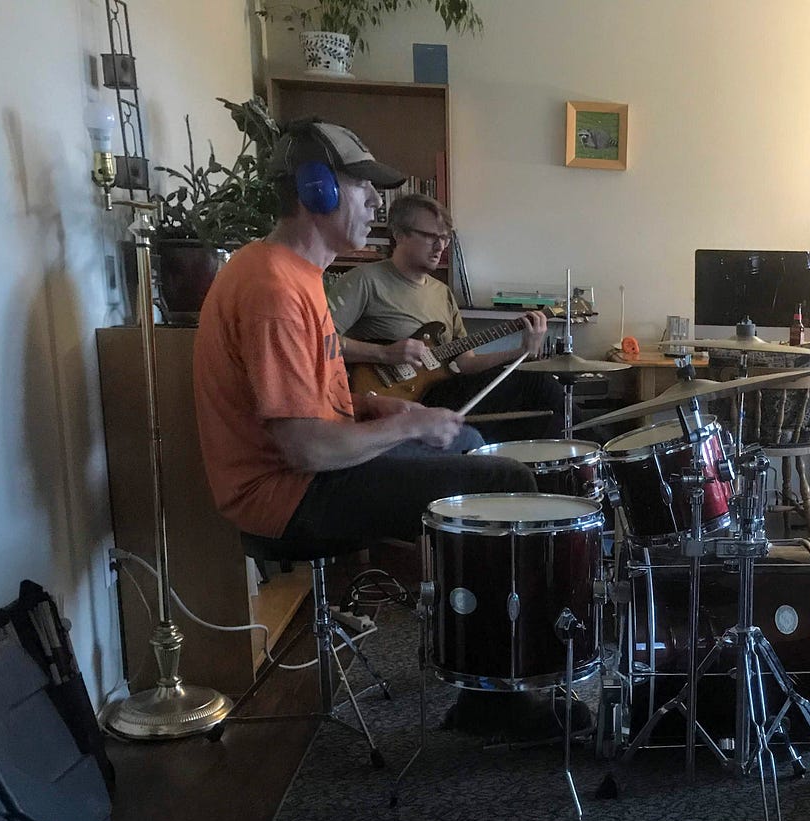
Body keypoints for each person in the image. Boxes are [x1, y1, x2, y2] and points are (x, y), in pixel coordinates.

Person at [193, 119, 536, 549]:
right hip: (288, 494)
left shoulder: (297, 274)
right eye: (361, 185)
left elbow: (301, 402)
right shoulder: (273, 289)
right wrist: (409, 427)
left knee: (469, 442)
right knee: (506, 480)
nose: (376, 201)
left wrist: (373, 406)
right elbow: (307, 449)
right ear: (317, 190)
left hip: (310, 472)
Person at [327, 192, 565, 440]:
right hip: (393, 397)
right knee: (538, 386)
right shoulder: (364, 281)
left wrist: (520, 351)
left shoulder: (443, 293)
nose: (440, 246)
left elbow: (466, 363)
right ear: (399, 234)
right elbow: (318, 342)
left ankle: (576, 457)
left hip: (440, 389)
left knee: (541, 402)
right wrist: (383, 353)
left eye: (444, 238)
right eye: (430, 236)